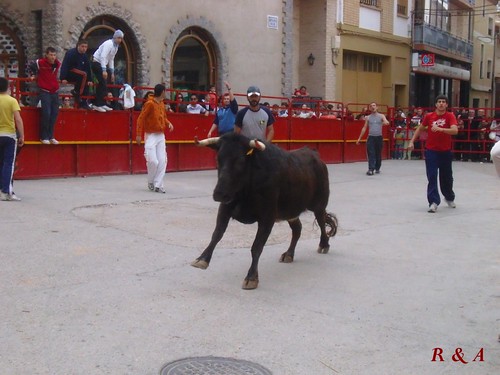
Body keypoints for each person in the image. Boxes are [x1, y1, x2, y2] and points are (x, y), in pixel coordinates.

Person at [408, 95, 458, 213]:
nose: (441, 104)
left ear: (446, 105)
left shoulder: (450, 116)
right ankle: (433, 201)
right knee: (432, 175)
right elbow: (420, 128)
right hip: (431, 151)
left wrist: (441, 129)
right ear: (436, 104)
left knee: (447, 177)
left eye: (443, 102)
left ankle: (449, 197)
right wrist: (411, 141)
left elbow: (455, 130)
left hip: (445, 151)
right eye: (439, 102)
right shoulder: (429, 116)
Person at [136, 84, 174, 193]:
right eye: (165, 91)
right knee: (153, 161)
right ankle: (151, 181)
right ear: (162, 92)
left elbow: (164, 117)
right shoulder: (150, 104)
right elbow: (140, 119)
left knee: (163, 160)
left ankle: (158, 184)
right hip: (151, 135)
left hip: (161, 135)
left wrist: (168, 123)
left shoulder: (161, 104)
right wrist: (138, 134)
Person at [0, 77, 24, 201]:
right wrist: (22, 135)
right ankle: (6, 191)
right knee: (8, 164)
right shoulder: (12, 100)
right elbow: (18, 119)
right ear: (7, 88)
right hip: (9, 135)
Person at [31, 47, 61, 145]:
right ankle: (44, 136)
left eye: (54, 55)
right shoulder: (40, 63)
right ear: (46, 55)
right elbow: (31, 66)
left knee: (54, 114)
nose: (53, 57)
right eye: (51, 55)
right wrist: (33, 74)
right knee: (46, 113)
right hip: (45, 91)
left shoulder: (57, 64)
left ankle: (51, 136)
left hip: (55, 91)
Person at [91, 29, 124, 112]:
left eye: (121, 38)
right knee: (102, 81)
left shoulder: (115, 47)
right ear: (115, 37)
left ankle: (102, 102)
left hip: (102, 64)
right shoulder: (108, 44)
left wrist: (112, 72)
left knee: (106, 82)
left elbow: (111, 59)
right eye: (118, 38)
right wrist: (104, 70)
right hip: (97, 62)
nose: (120, 40)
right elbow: (103, 56)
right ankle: (97, 103)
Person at [356, 102, 390, 175]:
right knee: (371, 153)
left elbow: (386, 122)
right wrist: (359, 138)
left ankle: (377, 167)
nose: (372, 107)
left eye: (374, 105)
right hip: (371, 137)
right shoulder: (368, 117)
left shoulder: (381, 116)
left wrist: (385, 122)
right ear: (370, 108)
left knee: (378, 153)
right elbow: (364, 128)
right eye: (371, 106)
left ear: (377, 107)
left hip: (379, 137)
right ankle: (371, 169)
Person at [60, 39, 92, 109]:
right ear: (78, 46)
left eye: (85, 47)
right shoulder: (70, 53)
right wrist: (63, 78)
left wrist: (90, 79)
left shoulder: (85, 56)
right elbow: (65, 65)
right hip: (70, 72)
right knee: (84, 74)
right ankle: (77, 92)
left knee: (86, 81)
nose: (84, 49)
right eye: (82, 46)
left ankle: (84, 101)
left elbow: (88, 67)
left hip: (81, 75)